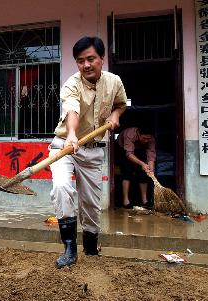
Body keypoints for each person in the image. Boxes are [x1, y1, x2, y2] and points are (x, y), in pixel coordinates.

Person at [49, 36, 127, 268]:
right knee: (62, 187)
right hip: (65, 146)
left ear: (102, 59)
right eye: (80, 61)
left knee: (91, 204)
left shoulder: (114, 82)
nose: (86, 65)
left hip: (93, 151)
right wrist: (72, 135)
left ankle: (91, 247)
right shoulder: (71, 84)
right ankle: (70, 247)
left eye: (91, 59)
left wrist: (115, 115)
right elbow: (71, 108)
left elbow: (121, 104)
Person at [117, 126, 156, 209]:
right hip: (124, 149)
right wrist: (142, 164)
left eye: (148, 138)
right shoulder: (129, 134)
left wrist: (151, 170)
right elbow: (129, 154)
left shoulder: (151, 139)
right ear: (138, 134)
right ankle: (126, 201)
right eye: (144, 138)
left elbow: (151, 156)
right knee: (127, 172)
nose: (146, 140)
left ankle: (145, 201)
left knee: (143, 174)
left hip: (139, 149)